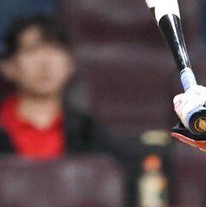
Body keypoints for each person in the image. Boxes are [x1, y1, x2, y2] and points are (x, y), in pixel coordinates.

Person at [0, 14, 118, 160]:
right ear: (8, 66)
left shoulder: (88, 131)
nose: (44, 63)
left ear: (70, 64)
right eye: (31, 50)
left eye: (55, 50)